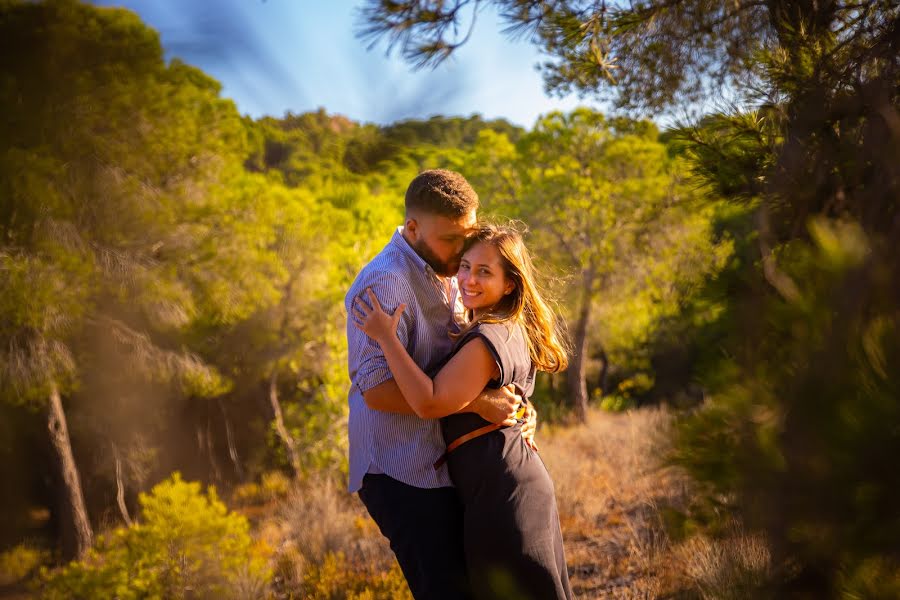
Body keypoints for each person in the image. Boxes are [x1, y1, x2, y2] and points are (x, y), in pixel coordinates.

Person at [352, 223, 573, 600]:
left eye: (484, 272)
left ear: (509, 284)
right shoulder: (494, 325)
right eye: (465, 266)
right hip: (496, 484)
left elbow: (431, 402)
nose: (468, 279)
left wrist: (387, 338)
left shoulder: (490, 336)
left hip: (503, 488)